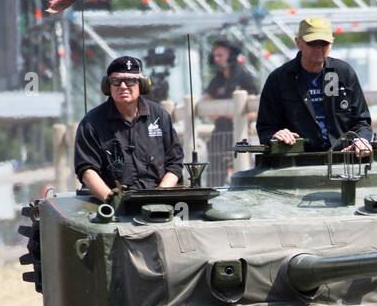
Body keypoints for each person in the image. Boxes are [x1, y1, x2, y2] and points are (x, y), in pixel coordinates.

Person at [256, 17, 373, 157]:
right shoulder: (279, 79)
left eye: (324, 43)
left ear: (332, 43)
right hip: (296, 164)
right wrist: (275, 134)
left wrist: (361, 140)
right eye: (312, 43)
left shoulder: (343, 73)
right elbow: (265, 128)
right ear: (298, 42)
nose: (318, 48)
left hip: (343, 160)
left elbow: (362, 121)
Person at [74, 56, 183, 200]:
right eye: (116, 81)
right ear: (108, 86)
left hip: (158, 202)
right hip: (109, 203)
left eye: (131, 81)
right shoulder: (91, 122)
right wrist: (112, 201)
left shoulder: (159, 116)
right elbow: (86, 169)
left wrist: (160, 195)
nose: (123, 86)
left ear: (142, 84)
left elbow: (175, 162)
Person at [202, 39, 259, 185]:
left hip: (240, 133)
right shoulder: (217, 79)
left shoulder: (244, 76)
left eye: (220, 55)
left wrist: (238, 115)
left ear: (231, 55)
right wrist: (216, 113)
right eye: (215, 55)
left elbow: (257, 105)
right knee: (215, 172)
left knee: (243, 170)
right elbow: (205, 100)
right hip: (220, 132)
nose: (217, 59)